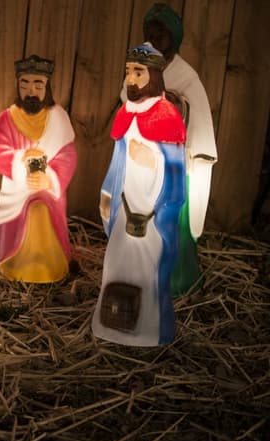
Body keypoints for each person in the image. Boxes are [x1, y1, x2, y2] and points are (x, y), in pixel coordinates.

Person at [120, 3, 218, 295]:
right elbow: (127, 99)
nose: (155, 38)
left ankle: (173, 280)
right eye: (150, 32)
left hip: (175, 162)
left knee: (171, 223)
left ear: (174, 38)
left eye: (161, 34)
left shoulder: (187, 78)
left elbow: (198, 118)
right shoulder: (139, 66)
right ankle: (137, 273)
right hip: (142, 160)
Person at [93, 44, 186, 346]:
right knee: (117, 265)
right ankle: (110, 325)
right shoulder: (126, 114)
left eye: (138, 72)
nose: (131, 79)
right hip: (124, 210)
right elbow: (116, 164)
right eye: (128, 72)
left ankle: (147, 332)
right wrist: (107, 196)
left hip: (152, 215)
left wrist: (153, 159)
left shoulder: (168, 117)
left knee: (147, 273)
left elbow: (175, 173)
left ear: (154, 76)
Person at [0, 55, 77, 283]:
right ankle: (13, 264)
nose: (31, 92)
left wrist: (50, 179)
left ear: (47, 87)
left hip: (47, 188)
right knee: (27, 209)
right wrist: (20, 162)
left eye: (38, 85)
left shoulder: (58, 118)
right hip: (17, 189)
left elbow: (68, 155)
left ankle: (47, 265)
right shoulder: (7, 118)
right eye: (24, 84)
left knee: (40, 209)